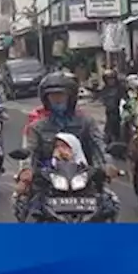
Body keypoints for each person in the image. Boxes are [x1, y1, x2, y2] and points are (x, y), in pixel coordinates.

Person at [13, 72, 119, 222]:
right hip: (46, 182)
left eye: (61, 95)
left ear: (71, 97)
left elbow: (98, 145)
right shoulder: (37, 127)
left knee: (110, 205)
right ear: (46, 99)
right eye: (53, 96)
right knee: (24, 204)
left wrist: (107, 164)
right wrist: (25, 173)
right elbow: (30, 151)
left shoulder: (86, 122)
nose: (57, 99)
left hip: (85, 180)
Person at [97, 69, 124, 143]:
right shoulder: (105, 90)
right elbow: (103, 100)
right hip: (110, 113)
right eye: (108, 79)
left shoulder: (120, 88)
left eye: (112, 79)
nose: (110, 81)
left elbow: (125, 99)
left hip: (120, 113)